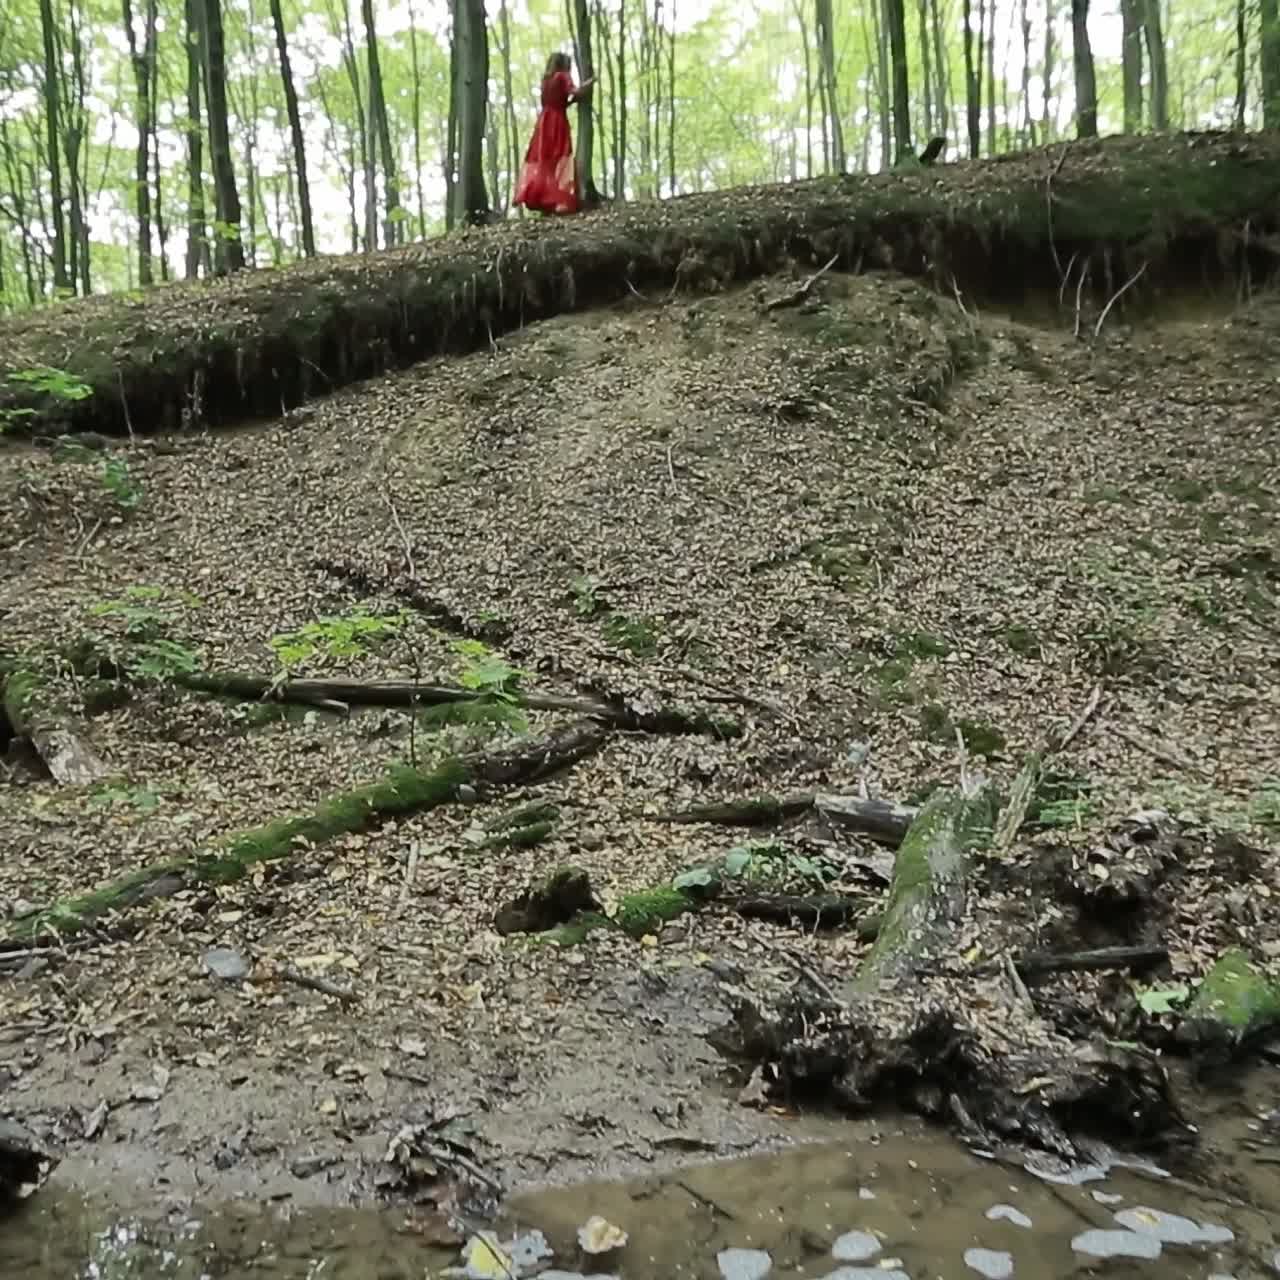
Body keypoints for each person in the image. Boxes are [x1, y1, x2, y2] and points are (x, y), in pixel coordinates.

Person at [513, 52, 594, 216]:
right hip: (557, 122)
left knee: (546, 160)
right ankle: (560, 201)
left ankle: (543, 199)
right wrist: (590, 83)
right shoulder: (562, 76)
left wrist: (570, 102)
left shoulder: (546, 80)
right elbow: (575, 92)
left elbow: (554, 101)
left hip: (544, 123)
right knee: (561, 157)